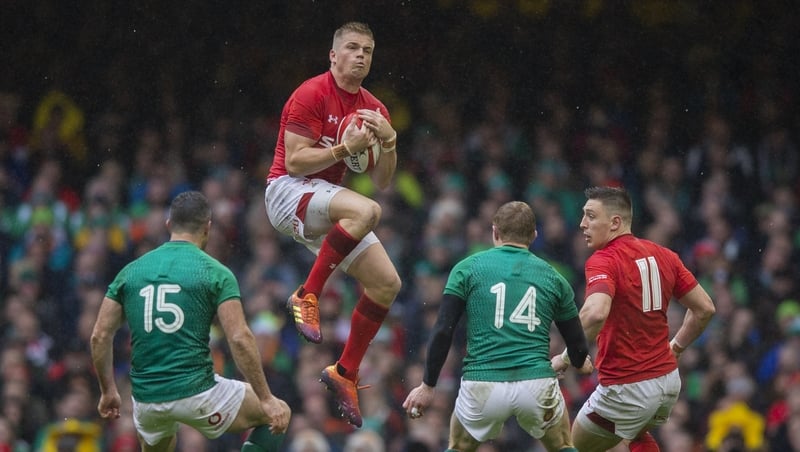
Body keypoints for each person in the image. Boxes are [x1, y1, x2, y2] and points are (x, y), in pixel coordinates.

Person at [263, 21, 400, 427]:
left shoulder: (375, 109)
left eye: (368, 51)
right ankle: (307, 294)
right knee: (367, 211)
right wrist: (343, 148)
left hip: (323, 204)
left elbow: (383, 179)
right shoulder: (312, 92)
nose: (361, 56)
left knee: (387, 284)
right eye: (353, 48)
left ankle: (345, 372)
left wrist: (390, 141)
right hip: (286, 190)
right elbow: (294, 161)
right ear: (333, 55)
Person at [90, 191, 291, 452]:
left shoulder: (131, 271)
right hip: (198, 392)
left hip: (147, 399)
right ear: (208, 227)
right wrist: (265, 398)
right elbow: (239, 337)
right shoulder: (214, 271)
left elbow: (100, 336)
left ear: (168, 225)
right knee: (279, 412)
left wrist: (108, 391)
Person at [403, 201, 593, 452]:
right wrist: (579, 362)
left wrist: (428, 385)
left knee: (458, 446)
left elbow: (442, 330)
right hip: (535, 382)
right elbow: (577, 344)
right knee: (561, 445)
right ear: (534, 236)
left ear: (494, 232)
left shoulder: (467, 269)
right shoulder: (554, 277)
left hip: (483, 383)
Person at [551, 186, 716, 452]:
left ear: (615, 222)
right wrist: (677, 348)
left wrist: (566, 357)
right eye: (583, 216)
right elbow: (705, 308)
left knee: (570, 446)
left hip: (627, 388)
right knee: (633, 435)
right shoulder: (665, 255)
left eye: (591, 216)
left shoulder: (603, 260)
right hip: (668, 382)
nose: (582, 224)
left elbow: (594, 313)